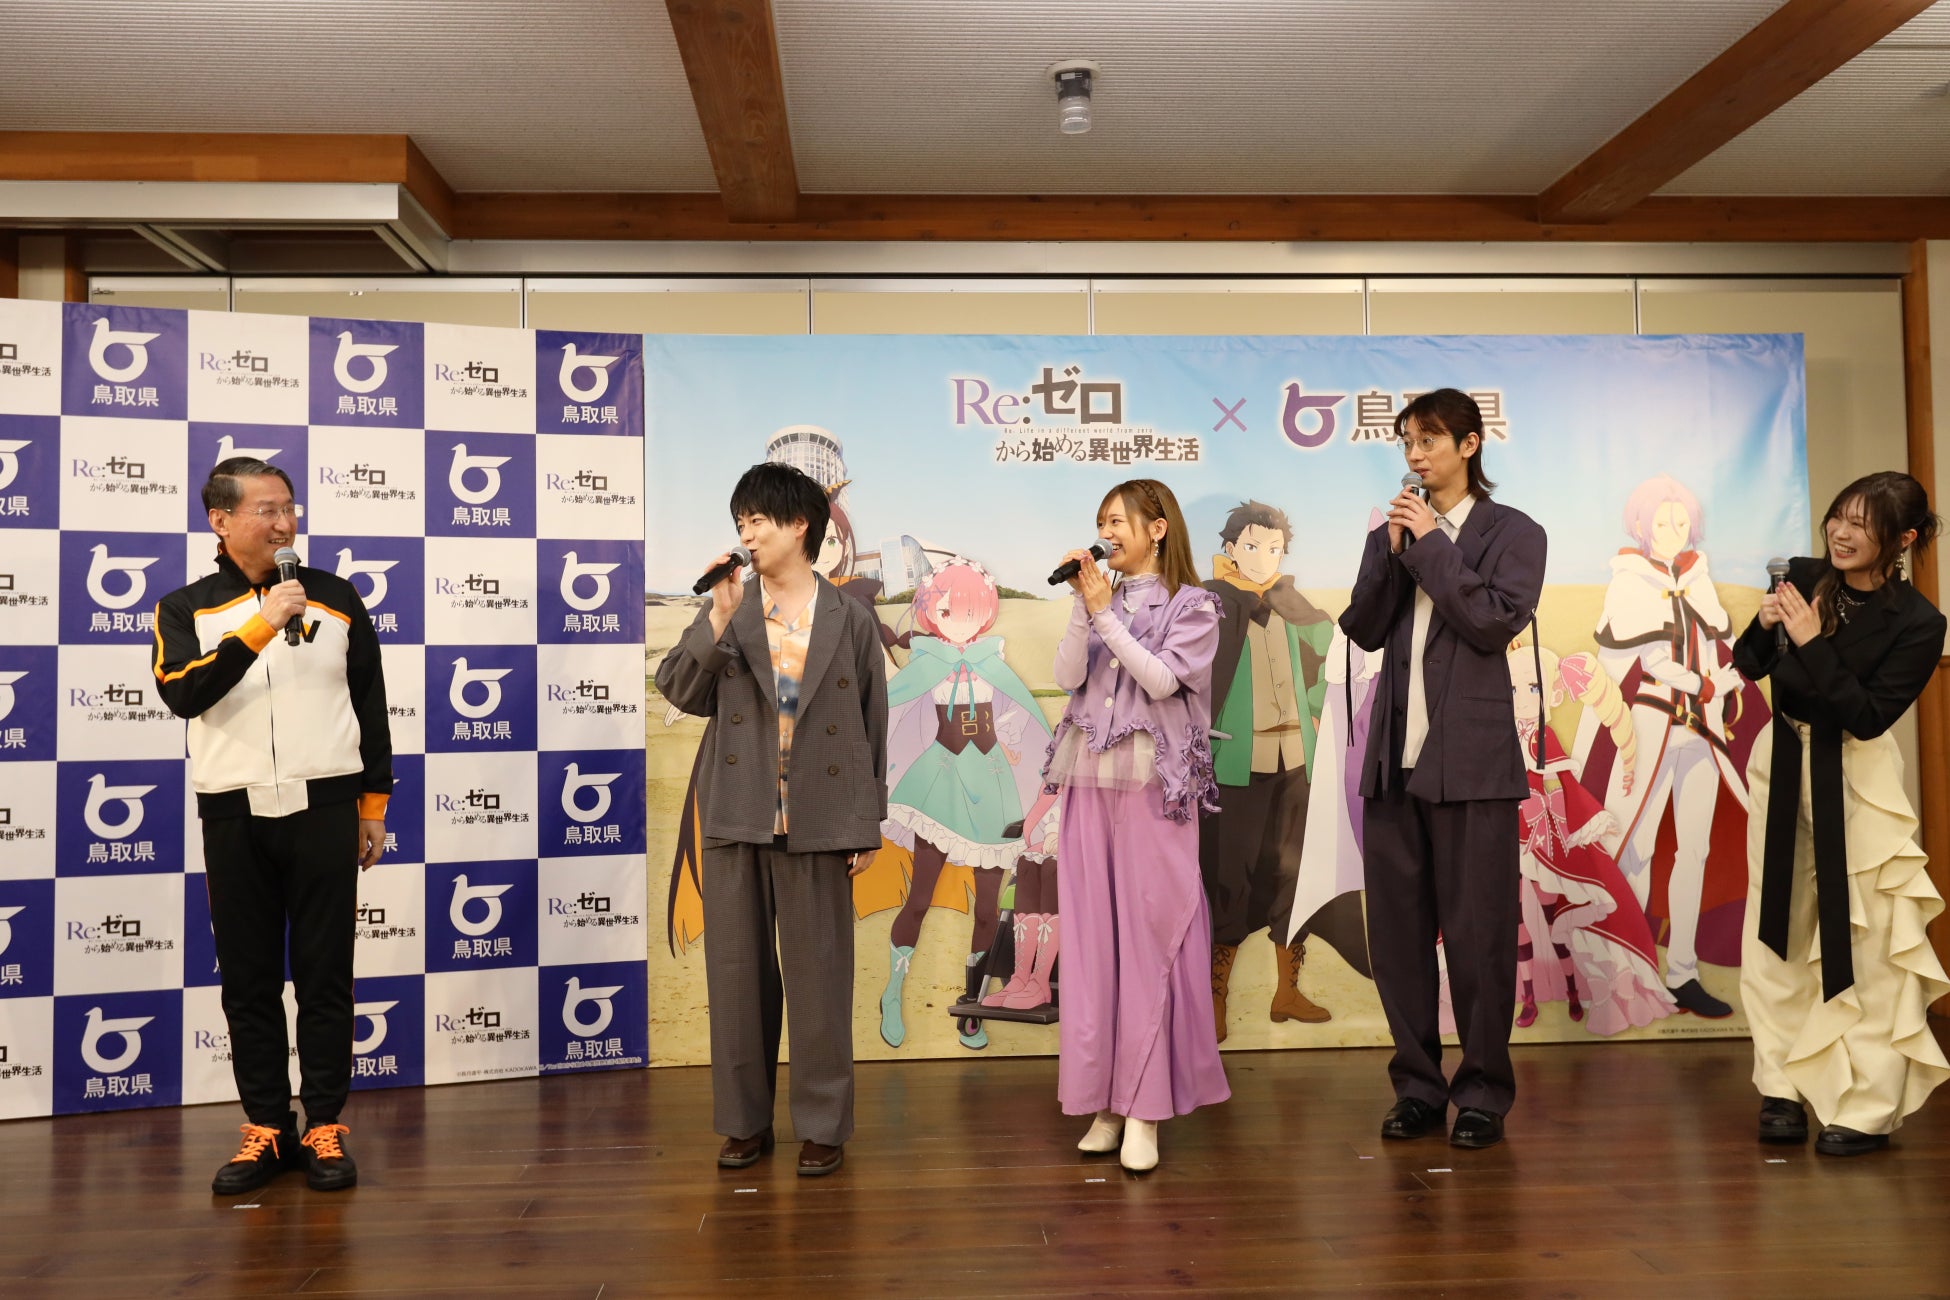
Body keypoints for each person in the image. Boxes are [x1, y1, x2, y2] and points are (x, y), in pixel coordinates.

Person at [153, 457, 391, 1195]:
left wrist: (372, 806)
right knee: (249, 980)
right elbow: (184, 694)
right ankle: (265, 1126)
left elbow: (370, 703)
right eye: (267, 510)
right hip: (233, 811)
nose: (285, 523)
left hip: (326, 807)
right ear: (220, 521)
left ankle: (323, 1124)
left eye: (289, 508)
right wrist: (261, 626)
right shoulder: (184, 607)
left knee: (326, 975)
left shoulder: (336, 597)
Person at [654, 462, 889, 1177]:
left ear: (799, 525)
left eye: (758, 520)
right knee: (737, 981)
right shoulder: (731, 608)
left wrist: (867, 822)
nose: (747, 534)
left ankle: (823, 1125)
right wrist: (718, 618)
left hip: (821, 818)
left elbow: (871, 724)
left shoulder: (849, 617)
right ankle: (744, 1123)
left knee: (820, 983)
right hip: (737, 815)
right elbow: (678, 689)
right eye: (741, 523)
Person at [1339, 389, 1546, 1151]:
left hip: (1474, 767)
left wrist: (1431, 545)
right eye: (1407, 442)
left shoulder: (1514, 532)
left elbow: (1492, 622)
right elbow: (1363, 628)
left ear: (1469, 444)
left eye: (1428, 439)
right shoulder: (1394, 529)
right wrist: (1395, 552)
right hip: (1394, 766)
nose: (1415, 454)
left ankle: (1484, 1093)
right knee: (1397, 941)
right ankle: (1418, 1089)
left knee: (1478, 936)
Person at [1733, 471, 1950, 1156]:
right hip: (1780, 763)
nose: (1842, 533)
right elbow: (1748, 663)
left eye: (1862, 524)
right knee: (1777, 926)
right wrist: (1767, 628)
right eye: (1838, 517)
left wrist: (1810, 641)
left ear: (1903, 539)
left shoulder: (1920, 622)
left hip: (1857, 775)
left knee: (1869, 940)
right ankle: (1780, 1086)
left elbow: (1867, 715)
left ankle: (1867, 1105)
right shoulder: (1803, 576)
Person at [1044, 477, 1229, 1173]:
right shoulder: (1101, 601)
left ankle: (1146, 1109)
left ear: (1157, 528)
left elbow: (1162, 681)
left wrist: (1106, 616)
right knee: (1095, 944)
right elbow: (1068, 674)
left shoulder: (1194, 605)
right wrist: (1083, 609)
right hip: (1088, 786)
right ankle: (1105, 1103)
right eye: (1100, 522)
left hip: (1157, 790)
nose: (1106, 534)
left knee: (1151, 939)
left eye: (1117, 521)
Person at [1586, 474, 1767, 1019]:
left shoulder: (1698, 577)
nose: (1673, 529)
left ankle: (1682, 973)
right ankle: (1629, 967)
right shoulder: (1628, 580)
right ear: (1640, 525)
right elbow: (1654, 660)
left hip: (1702, 733)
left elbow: (1720, 643)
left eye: (1682, 520)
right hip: (1650, 727)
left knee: (1696, 850)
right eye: (1662, 521)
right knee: (1634, 844)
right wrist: (1708, 685)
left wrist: (1724, 684)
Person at [1200, 499, 1366, 1038]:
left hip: (1297, 760)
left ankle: (1287, 991)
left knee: (1294, 874)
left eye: (1274, 548)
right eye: (1252, 546)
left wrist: (1317, 708)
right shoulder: (1209, 604)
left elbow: (1336, 655)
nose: (1263, 557)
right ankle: (1215, 995)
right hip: (1235, 765)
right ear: (1230, 549)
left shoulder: (1292, 604)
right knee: (1227, 878)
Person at [877, 557, 1050, 1051]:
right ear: (932, 611)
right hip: (941, 781)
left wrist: (1015, 746)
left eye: (970, 609)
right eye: (949, 609)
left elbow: (1021, 717)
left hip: (992, 786)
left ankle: (972, 1006)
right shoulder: (926, 664)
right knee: (920, 897)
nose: (959, 619)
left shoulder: (993, 663)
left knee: (989, 908)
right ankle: (893, 992)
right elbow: (888, 708)